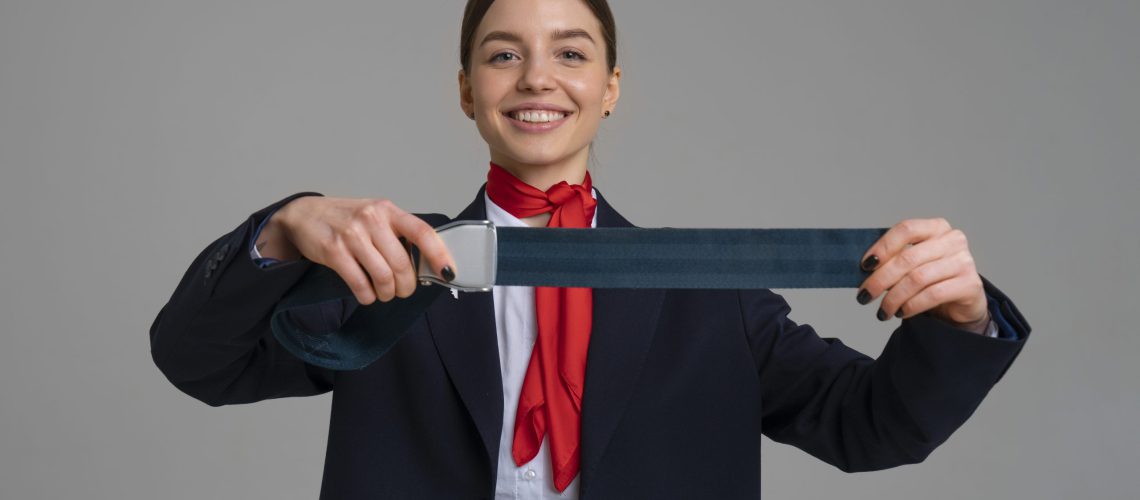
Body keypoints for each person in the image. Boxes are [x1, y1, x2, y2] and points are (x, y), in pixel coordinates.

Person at [149, 0, 1031, 498]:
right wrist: (282, 227)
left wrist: (962, 315)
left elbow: (871, 425)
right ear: (467, 90)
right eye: (503, 54)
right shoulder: (390, 261)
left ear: (609, 89)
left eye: (570, 53)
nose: (536, 77)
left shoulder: (705, 290)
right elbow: (202, 364)